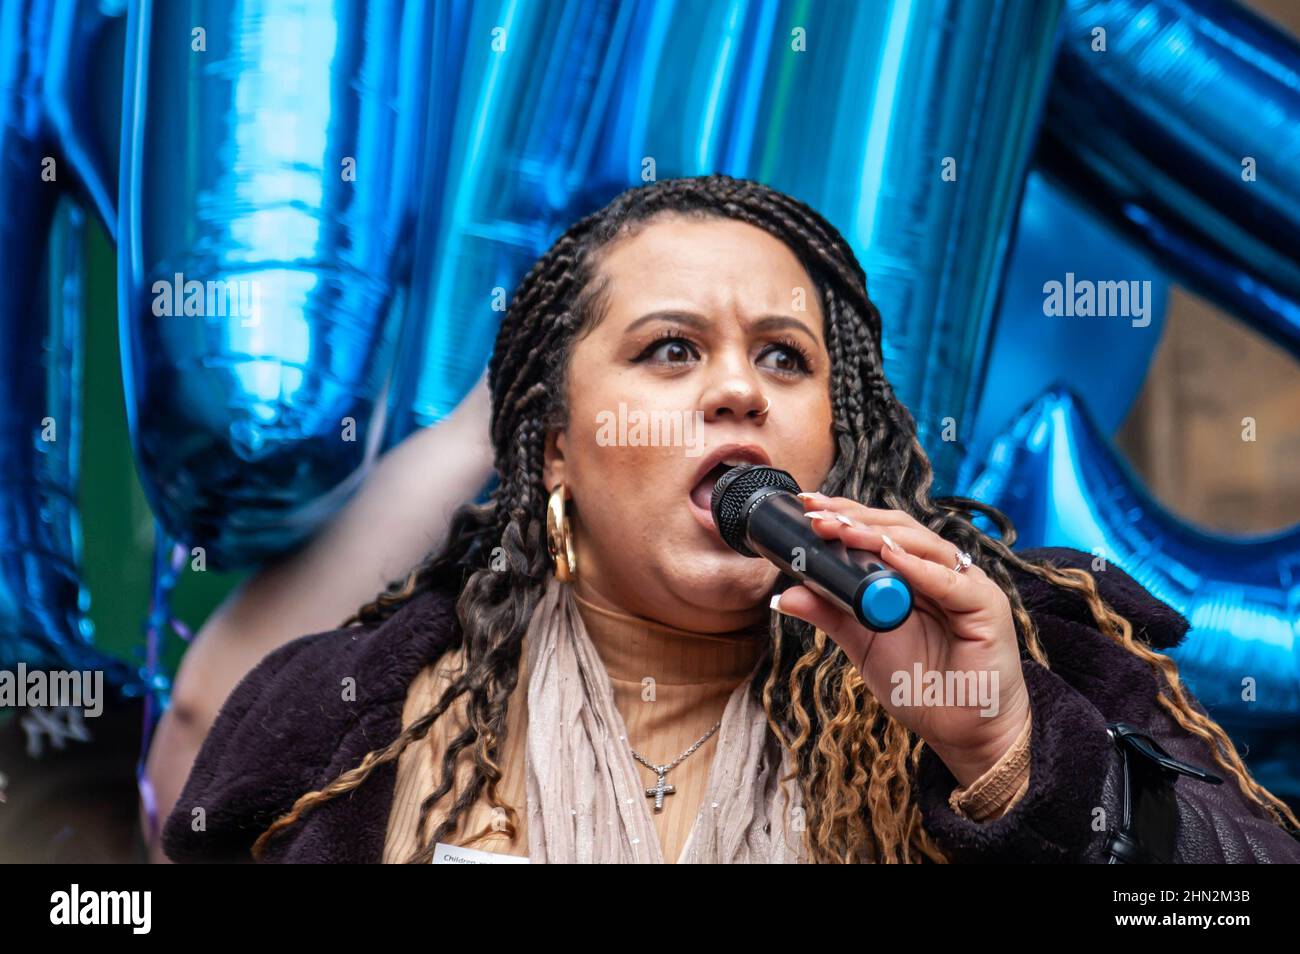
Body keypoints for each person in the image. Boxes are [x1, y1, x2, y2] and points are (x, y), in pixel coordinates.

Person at [161, 173, 1300, 863]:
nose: (738, 390)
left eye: (783, 359)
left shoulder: (1018, 652)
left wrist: (1013, 753)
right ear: (556, 441)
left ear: (828, 437)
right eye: (669, 350)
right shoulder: (354, 718)